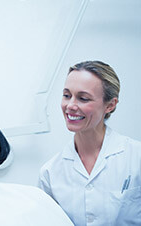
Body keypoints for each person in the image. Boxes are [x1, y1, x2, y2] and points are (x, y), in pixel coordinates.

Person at [38, 60, 141, 225]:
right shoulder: (50, 173)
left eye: (83, 98)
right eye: (66, 95)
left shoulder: (136, 157)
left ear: (110, 105)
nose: (70, 105)